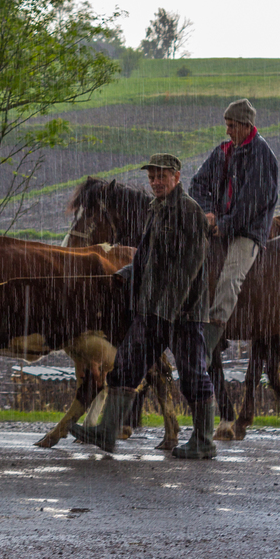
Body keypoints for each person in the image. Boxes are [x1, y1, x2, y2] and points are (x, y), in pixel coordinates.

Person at [69, 153, 217, 459]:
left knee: (192, 376)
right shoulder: (156, 209)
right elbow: (145, 258)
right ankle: (107, 433)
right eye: (151, 177)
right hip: (151, 310)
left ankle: (205, 441)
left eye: (162, 176)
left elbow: (188, 267)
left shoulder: (189, 211)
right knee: (125, 368)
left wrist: (167, 310)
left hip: (182, 314)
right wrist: (121, 276)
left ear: (176, 177)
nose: (156, 182)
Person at [189, 98, 279, 355]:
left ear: (244, 125)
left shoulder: (262, 156)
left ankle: (210, 342)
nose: (227, 130)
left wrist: (226, 226)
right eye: (226, 125)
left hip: (248, 231)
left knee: (230, 278)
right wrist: (207, 213)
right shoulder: (223, 151)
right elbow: (197, 184)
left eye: (230, 125)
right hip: (220, 225)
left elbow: (253, 203)